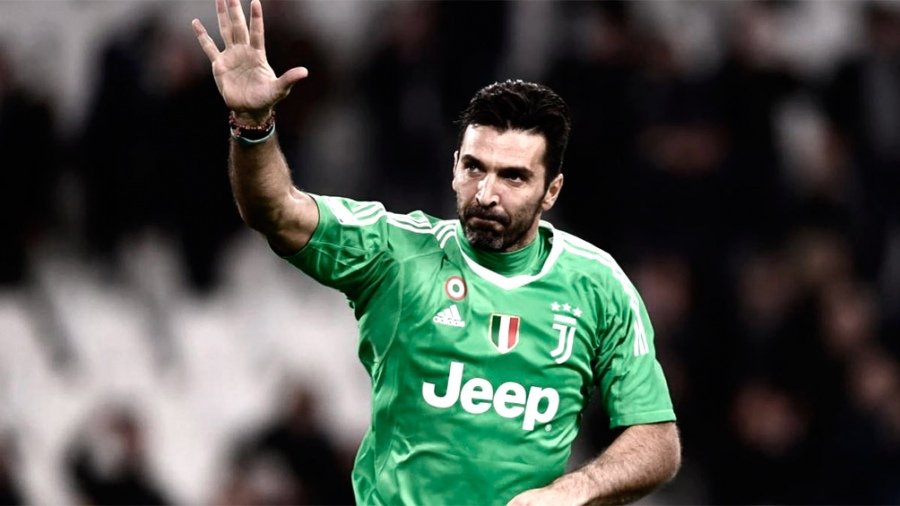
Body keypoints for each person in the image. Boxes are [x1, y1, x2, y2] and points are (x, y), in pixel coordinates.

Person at [191, 0, 681, 504]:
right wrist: (253, 124)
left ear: (551, 191)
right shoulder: (395, 252)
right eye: (474, 167)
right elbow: (276, 211)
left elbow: (657, 441)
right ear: (454, 167)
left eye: (513, 177)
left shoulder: (597, 285)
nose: (486, 193)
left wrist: (573, 490)